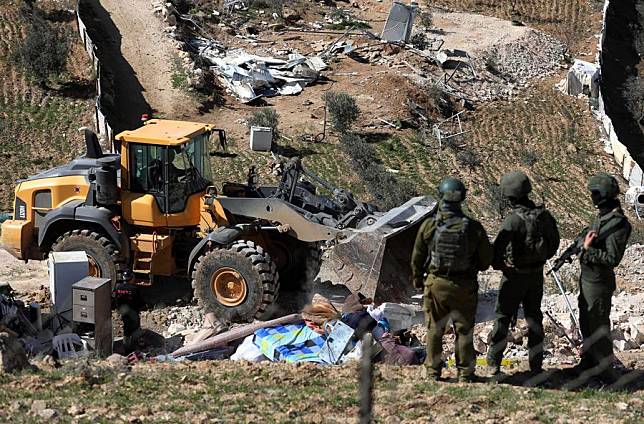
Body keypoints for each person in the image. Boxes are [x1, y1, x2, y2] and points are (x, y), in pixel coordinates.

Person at [411, 177, 493, 382]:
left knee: (435, 329)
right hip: (464, 286)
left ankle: (432, 372)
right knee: (464, 330)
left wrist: (418, 280)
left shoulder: (429, 226)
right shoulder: (474, 228)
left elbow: (417, 258)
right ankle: (465, 374)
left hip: (437, 284)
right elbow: (485, 262)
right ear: (462, 198)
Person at [486, 171, 560, 376]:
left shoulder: (512, 221)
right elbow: (555, 243)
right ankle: (536, 365)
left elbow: (496, 250)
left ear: (509, 196)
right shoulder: (544, 216)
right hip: (536, 275)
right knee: (534, 318)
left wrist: (502, 266)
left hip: (514, 276)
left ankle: (493, 363)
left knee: (502, 318)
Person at [571, 173, 631, 382]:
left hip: (599, 283)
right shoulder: (602, 216)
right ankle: (588, 363)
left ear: (603, 195)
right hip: (588, 280)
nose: (592, 197)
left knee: (598, 328)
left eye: (595, 193)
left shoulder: (618, 224)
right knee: (586, 324)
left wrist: (587, 251)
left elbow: (612, 258)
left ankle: (607, 374)